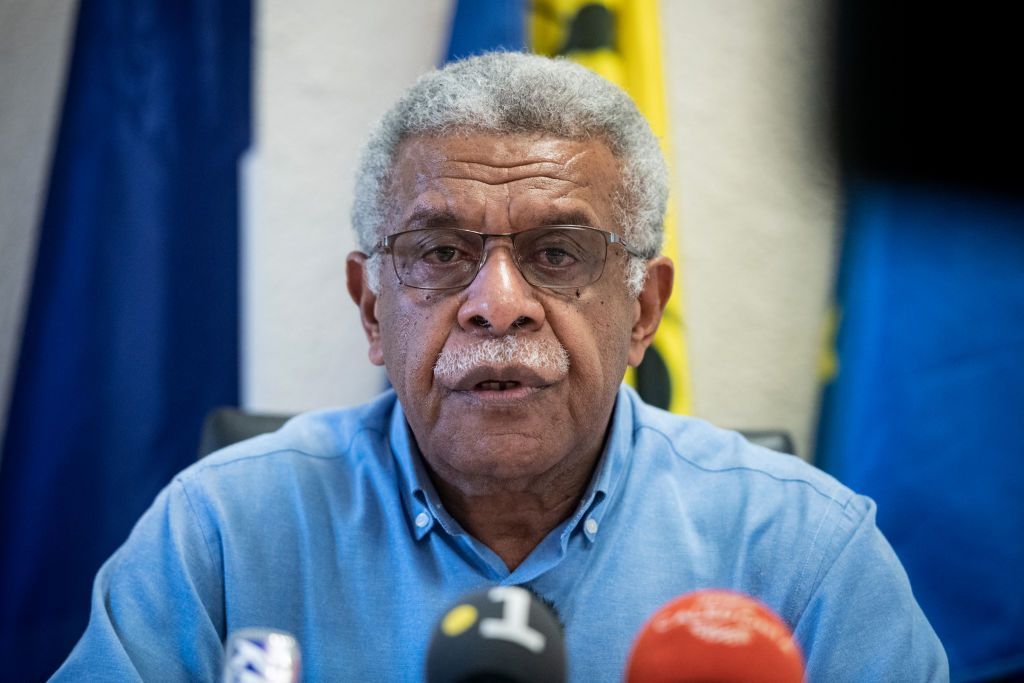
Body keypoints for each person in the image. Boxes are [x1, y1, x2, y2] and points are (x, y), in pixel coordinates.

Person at [54, 52, 947, 681]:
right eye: (440, 252)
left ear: (641, 309)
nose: (498, 301)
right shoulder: (221, 535)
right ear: (372, 307)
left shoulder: (805, 555)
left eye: (558, 253)